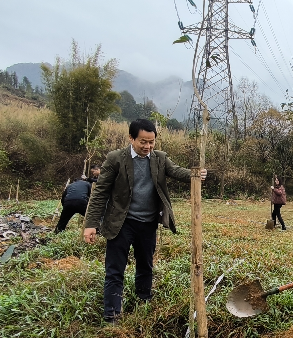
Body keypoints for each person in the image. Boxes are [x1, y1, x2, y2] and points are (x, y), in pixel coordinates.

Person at [83, 118, 207, 323]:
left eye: (151, 142)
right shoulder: (116, 159)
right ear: (131, 138)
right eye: (143, 141)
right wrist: (91, 224)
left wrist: (196, 174)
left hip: (147, 223)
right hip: (121, 223)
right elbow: (100, 193)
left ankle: (144, 301)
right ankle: (112, 314)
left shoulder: (159, 158)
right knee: (115, 269)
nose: (147, 146)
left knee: (145, 265)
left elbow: (176, 171)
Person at [54, 166, 100, 233]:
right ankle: (98, 231)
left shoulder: (70, 185)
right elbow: (90, 195)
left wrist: (65, 206)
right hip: (81, 202)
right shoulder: (87, 184)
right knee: (91, 217)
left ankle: (57, 231)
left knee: (63, 220)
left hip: (68, 203)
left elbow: (63, 197)